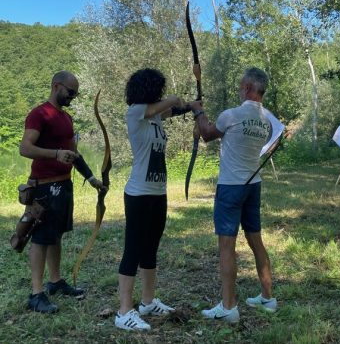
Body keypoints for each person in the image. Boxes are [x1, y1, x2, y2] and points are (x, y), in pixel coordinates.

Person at [189, 67, 278, 324]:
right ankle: (267, 297)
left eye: (241, 86)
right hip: (253, 184)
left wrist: (198, 110)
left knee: (227, 246)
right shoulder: (266, 120)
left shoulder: (232, 115)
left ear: (249, 87)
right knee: (256, 241)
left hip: (231, 186)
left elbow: (206, 134)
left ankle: (229, 306)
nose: (239, 90)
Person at [19, 70, 107, 314]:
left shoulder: (66, 118)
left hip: (64, 185)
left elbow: (73, 153)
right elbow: (25, 148)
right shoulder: (39, 114)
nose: (73, 97)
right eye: (70, 92)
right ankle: (36, 294)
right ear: (56, 86)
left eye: (76, 94)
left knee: (56, 235)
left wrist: (90, 177)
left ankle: (55, 282)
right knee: (40, 238)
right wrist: (55, 154)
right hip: (44, 186)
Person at [115, 68, 190, 331]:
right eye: (157, 89)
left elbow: (171, 111)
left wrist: (191, 106)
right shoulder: (136, 111)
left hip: (157, 192)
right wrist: (175, 98)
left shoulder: (155, 116)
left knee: (150, 249)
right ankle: (124, 311)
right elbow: (168, 104)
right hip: (138, 194)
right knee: (133, 249)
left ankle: (147, 302)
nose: (161, 94)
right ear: (150, 90)